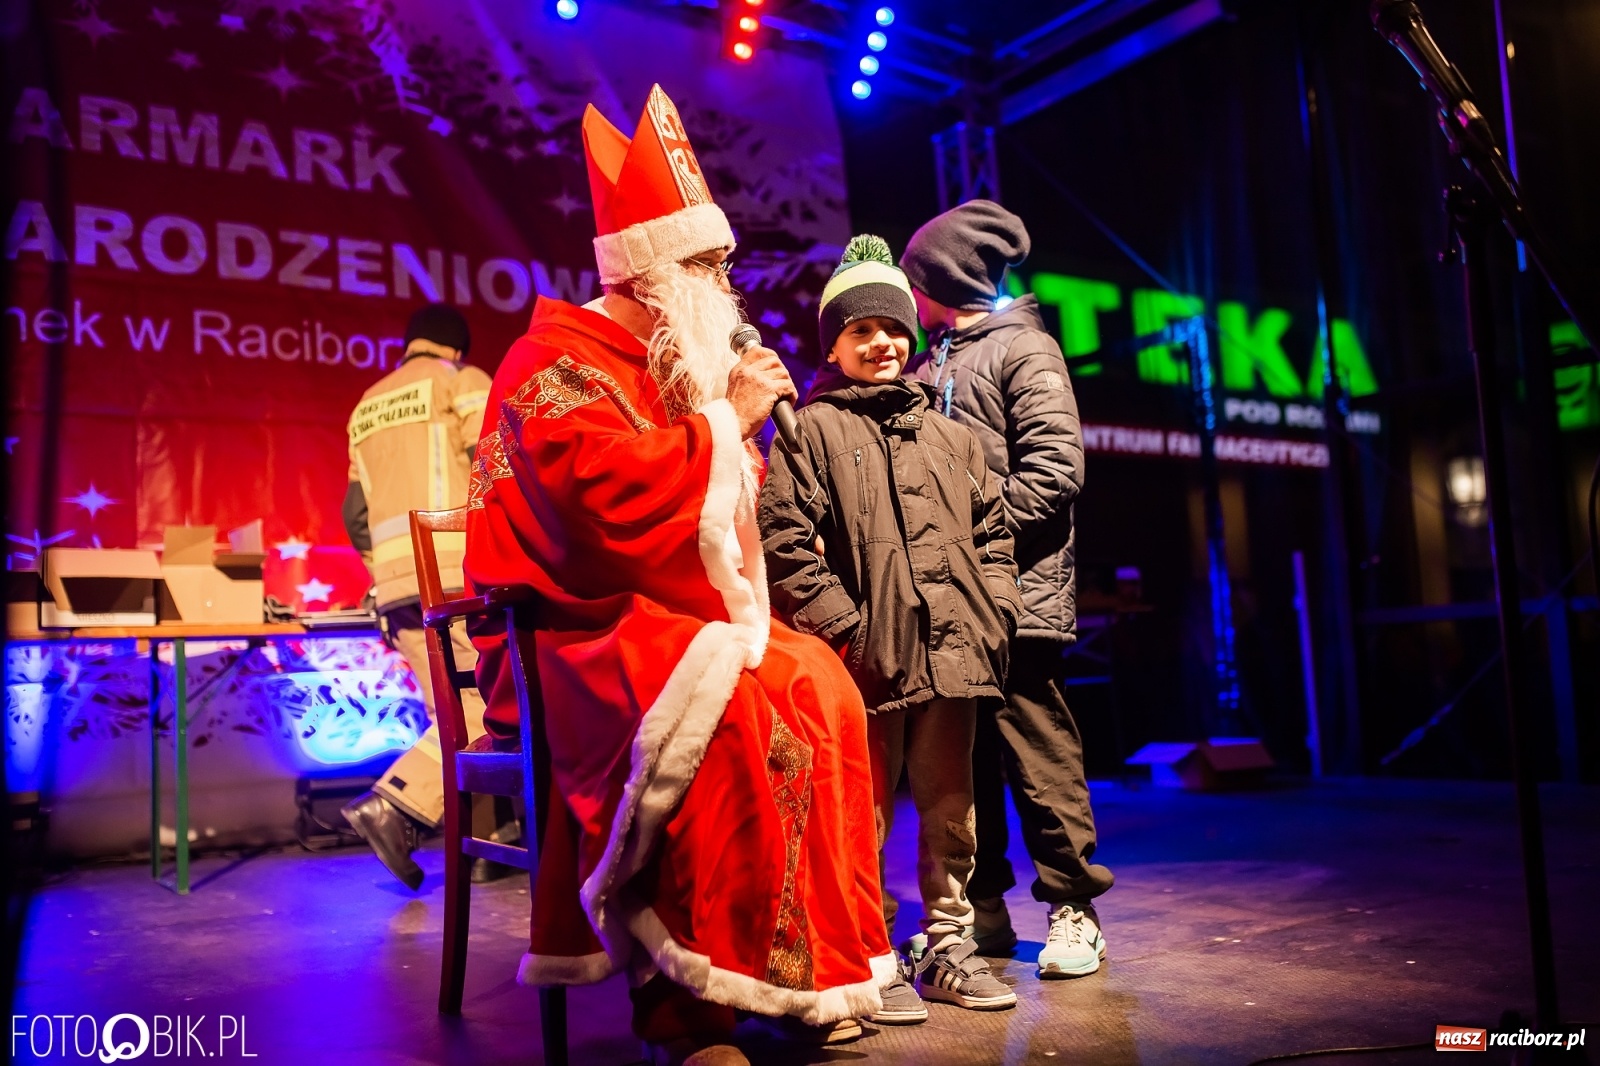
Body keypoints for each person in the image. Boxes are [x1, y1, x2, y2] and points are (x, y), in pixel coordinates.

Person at [463, 85, 891, 1066]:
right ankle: (682, 1012)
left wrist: (725, 428)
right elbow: (594, 503)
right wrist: (721, 427)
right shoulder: (551, 358)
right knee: (727, 710)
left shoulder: (669, 365)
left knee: (818, 682)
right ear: (653, 270)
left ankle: (797, 971)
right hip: (576, 630)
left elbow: (709, 517)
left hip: (666, 612)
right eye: (706, 264)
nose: (724, 283)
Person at [759, 235, 1023, 1022]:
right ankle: (870, 954)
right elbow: (782, 541)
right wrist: (848, 630)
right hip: (866, 662)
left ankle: (948, 947)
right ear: (834, 344)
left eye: (895, 329)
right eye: (861, 331)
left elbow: (995, 534)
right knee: (861, 815)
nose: (884, 343)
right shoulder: (809, 432)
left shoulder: (954, 438)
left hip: (955, 655)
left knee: (952, 809)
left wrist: (995, 609)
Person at [904, 199, 1115, 978]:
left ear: (944, 278)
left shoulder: (1026, 350)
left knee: (1037, 752)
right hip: (953, 604)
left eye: (915, 275)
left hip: (1018, 597)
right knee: (962, 761)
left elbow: (1058, 468)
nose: (907, 291)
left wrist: (980, 543)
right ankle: (983, 908)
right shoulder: (931, 361)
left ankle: (1073, 909)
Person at [337, 305, 513, 891]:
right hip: (460, 573)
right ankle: (396, 804)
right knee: (489, 701)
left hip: (396, 586)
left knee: (452, 709)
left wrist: (386, 571)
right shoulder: (462, 383)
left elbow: (354, 515)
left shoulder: (365, 405)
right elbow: (498, 469)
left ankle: (483, 852)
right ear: (455, 349)